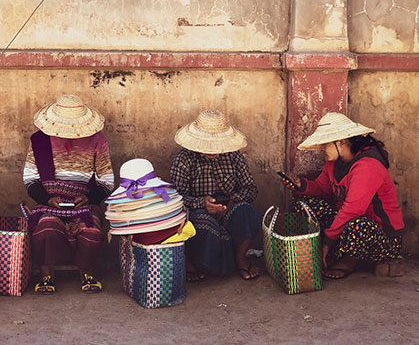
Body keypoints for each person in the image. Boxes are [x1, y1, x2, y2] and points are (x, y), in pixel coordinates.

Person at [280, 112, 404, 279]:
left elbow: (353, 210)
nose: (323, 149)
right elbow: (322, 189)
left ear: (341, 142)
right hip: (348, 227)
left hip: (382, 237)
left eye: (325, 144)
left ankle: (348, 261)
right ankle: (329, 253)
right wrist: (301, 186)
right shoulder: (333, 164)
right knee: (304, 206)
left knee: (358, 226)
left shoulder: (368, 166)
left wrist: (327, 243)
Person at [23, 94, 114, 294]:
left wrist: (90, 198)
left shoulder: (97, 140)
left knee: (91, 232)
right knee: (45, 228)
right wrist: (47, 199)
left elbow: (106, 181)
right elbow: (30, 178)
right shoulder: (39, 140)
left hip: (85, 206)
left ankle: (87, 272)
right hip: (49, 204)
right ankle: (46, 274)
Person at [170, 109, 261, 281]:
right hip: (198, 211)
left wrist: (232, 203)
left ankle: (240, 258)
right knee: (202, 225)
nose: (212, 151)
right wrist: (202, 203)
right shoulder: (184, 159)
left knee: (247, 213)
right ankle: (193, 262)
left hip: (229, 208)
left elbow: (250, 188)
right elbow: (176, 196)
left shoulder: (234, 156)